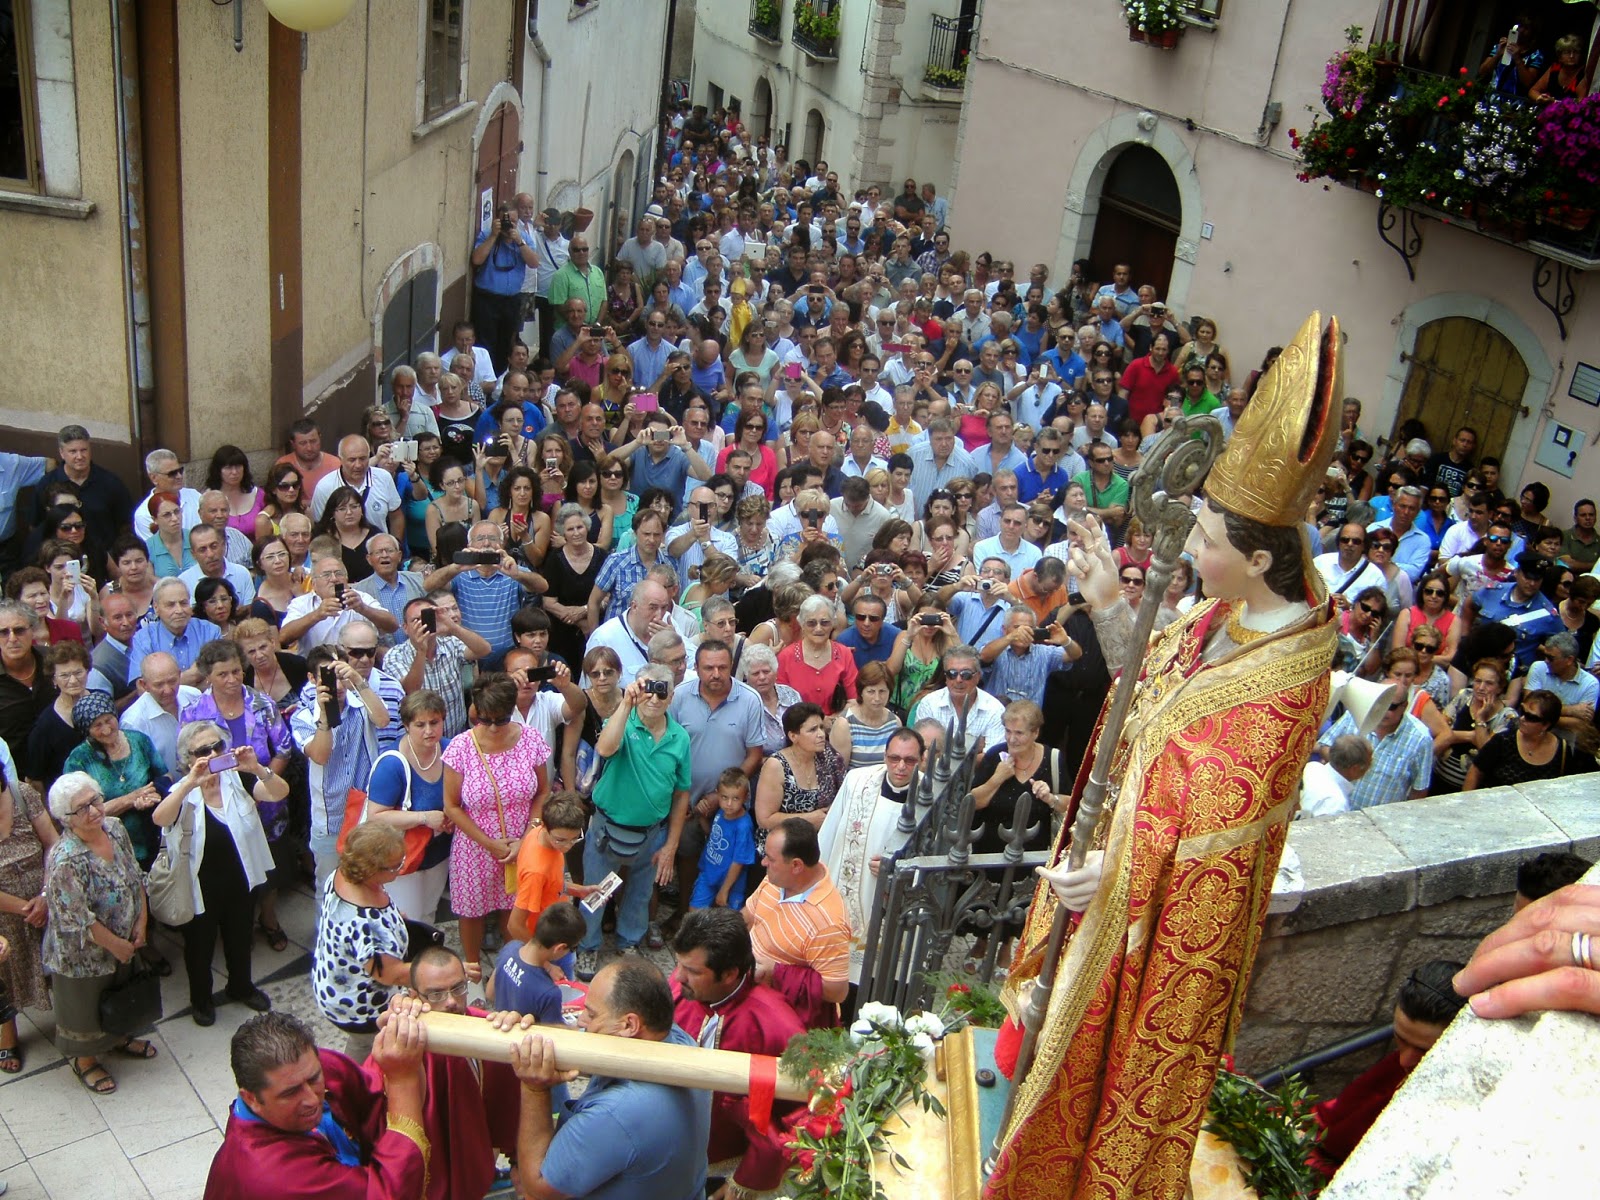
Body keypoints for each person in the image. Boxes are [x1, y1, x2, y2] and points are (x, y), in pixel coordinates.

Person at [989, 313, 1345, 1200]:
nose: (1189, 547)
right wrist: (1111, 599)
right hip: (1107, 885)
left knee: (1094, 1066)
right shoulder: (1224, 618)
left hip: (1148, 919)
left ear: (1261, 559)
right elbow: (1145, 699)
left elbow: (1213, 841)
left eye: (1209, 543)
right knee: (1046, 1036)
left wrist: (1113, 872)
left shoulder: (1286, 679)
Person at [505, 959, 712, 1200]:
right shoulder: (676, 1038)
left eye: (591, 1014)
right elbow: (585, 1037)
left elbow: (538, 1188)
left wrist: (534, 1088)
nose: (581, 1020)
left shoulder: (617, 1114)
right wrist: (532, 1034)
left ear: (629, 1024)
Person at [203, 1009, 432, 1200]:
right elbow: (390, 1192)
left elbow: (383, 1102)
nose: (313, 1099)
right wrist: (403, 1080)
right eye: (290, 1093)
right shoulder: (271, 1174)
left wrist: (399, 1028)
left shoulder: (307, 1068)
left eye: (314, 1079)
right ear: (251, 1098)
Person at [154, 721, 283, 1025]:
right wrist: (190, 783)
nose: (213, 753)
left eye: (218, 746)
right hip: (199, 886)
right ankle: (201, 1000)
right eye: (204, 750)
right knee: (199, 948)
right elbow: (160, 818)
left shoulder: (238, 780)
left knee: (240, 938)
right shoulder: (181, 791)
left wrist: (258, 769)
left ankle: (241, 986)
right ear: (189, 758)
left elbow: (278, 793)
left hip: (240, 880)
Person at [671, 907, 807, 1194]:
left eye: (693, 971)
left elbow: (809, 1109)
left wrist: (745, 1180)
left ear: (731, 973)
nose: (678, 977)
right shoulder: (681, 990)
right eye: (679, 965)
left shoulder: (776, 1025)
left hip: (726, 1168)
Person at [575, 665, 692, 978]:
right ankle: (587, 946)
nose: (654, 697)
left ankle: (628, 942)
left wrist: (671, 843)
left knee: (640, 894)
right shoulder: (623, 722)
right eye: (648, 689)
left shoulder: (679, 737)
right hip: (607, 828)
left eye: (662, 690)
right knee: (594, 892)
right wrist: (626, 703)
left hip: (651, 832)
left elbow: (682, 793)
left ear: (672, 695)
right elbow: (605, 747)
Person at [42, 772, 156, 1095]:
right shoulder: (64, 859)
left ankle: (119, 1038)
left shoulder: (116, 829)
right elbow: (77, 920)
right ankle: (86, 1061)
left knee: (120, 993)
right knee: (85, 1007)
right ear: (66, 819)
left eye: (96, 800)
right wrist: (116, 945)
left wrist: (141, 922)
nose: (94, 811)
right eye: (82, 808)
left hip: (125, 940)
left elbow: (135, 876)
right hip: (85, 953)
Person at [1307, 960, 1468, 1178]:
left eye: (1424, 1050)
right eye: (1400, 1039)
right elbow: (1339, 1118)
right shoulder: (1402, 1065)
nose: (1404, 1060)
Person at [443, 673, 551, 983]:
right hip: (474, 844)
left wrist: (528, 835)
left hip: (522, 840)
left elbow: (543, 791)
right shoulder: (461, 747)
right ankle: (473, 972)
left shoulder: (530, 739)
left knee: (515, 909)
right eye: (485, 719)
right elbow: (451, 805)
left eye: (500, 719)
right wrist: (488, 843)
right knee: (471, 912)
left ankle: (510, 970)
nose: (492, 727)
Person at [311, 823, 411, 1059]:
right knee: (367, 1052)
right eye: (395, 866)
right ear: (369, 869)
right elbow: (390, 974)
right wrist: (438, 972)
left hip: (333, 985)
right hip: (361, 1009)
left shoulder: (342, 875)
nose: (400, 869)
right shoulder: (368, 927)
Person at [743, 816, 851, 1028]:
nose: (764, 862)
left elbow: (837, 991)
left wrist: (777, 972)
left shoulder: (828, 924)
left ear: (796, 866)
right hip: (749, 998)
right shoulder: (776, 878)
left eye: (771, 859)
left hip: (781, 1022)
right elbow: (747, 917)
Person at [363, 690, 454, 923]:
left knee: (429, 912)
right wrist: (424, 818)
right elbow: (376, 816)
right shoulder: (391, 764)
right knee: (407, 919)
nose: (428, 731)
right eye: (420, 724)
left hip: (439, 851)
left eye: (434, 722)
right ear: (406, 726)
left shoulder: (451, 750)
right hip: (403, 856)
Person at [0, 760, 55, 1076]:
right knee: (5, 973)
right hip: (6, 914)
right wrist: (25, 908)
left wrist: (46, 896)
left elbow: (52, 844)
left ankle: (78, 1024)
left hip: (45, 897)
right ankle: (7, 1031)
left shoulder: (22, 794)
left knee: (60, 962)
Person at [1466, 689, 1597, 789]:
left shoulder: (1562, 751)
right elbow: (1475, 772)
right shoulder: (1503, 740)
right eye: (1523, 712)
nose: (1522, 719)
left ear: (1546, 725)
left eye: (1531, 717)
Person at [907, 644, 1006, 754]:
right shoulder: (929, 703)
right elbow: (923, 751)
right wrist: (973, 749)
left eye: (966, 674)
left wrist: (942, 749)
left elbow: (990, 758)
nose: (958, 680)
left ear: (978, 677)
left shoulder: (995, 709)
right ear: (945, 677)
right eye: (952, 674)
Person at [1297, 734, 1373, 818]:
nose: (1369, 769)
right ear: (1354, 769)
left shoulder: (1312, 766)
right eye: (1369, 764)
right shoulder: (1336, 804)